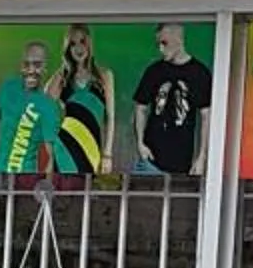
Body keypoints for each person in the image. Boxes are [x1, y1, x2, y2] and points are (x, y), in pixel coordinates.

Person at [132, 22, 211, 177]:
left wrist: (202, 156)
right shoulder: (154, 71)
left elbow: (206, 116)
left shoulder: (199, 73)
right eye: (158, 44)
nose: (161, 49)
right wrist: (140, 143)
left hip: (182, 158)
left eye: (164, 43)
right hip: (151, 156)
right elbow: (140, 107)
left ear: (179, 40)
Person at [0, 41, 65, 176]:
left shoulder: (48, 106)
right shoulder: (9, 87)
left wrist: (45, 185)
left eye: (37, 65)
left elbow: (52, 156)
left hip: (24, 179)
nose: (31, 70)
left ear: (45, 68)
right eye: (26, 64)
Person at [51, 21, 114, 175]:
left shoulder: (104, 75)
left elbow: (110, 117)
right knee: (65, 192)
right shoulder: (64, 77)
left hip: (92, 145)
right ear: (68, 48)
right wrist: (63, 69)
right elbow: (45, 101)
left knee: (87, 192)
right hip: (65, 146)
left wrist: (107, 154)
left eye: (82, 42)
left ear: (89, 44)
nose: (78, 48)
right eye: (73, 44)